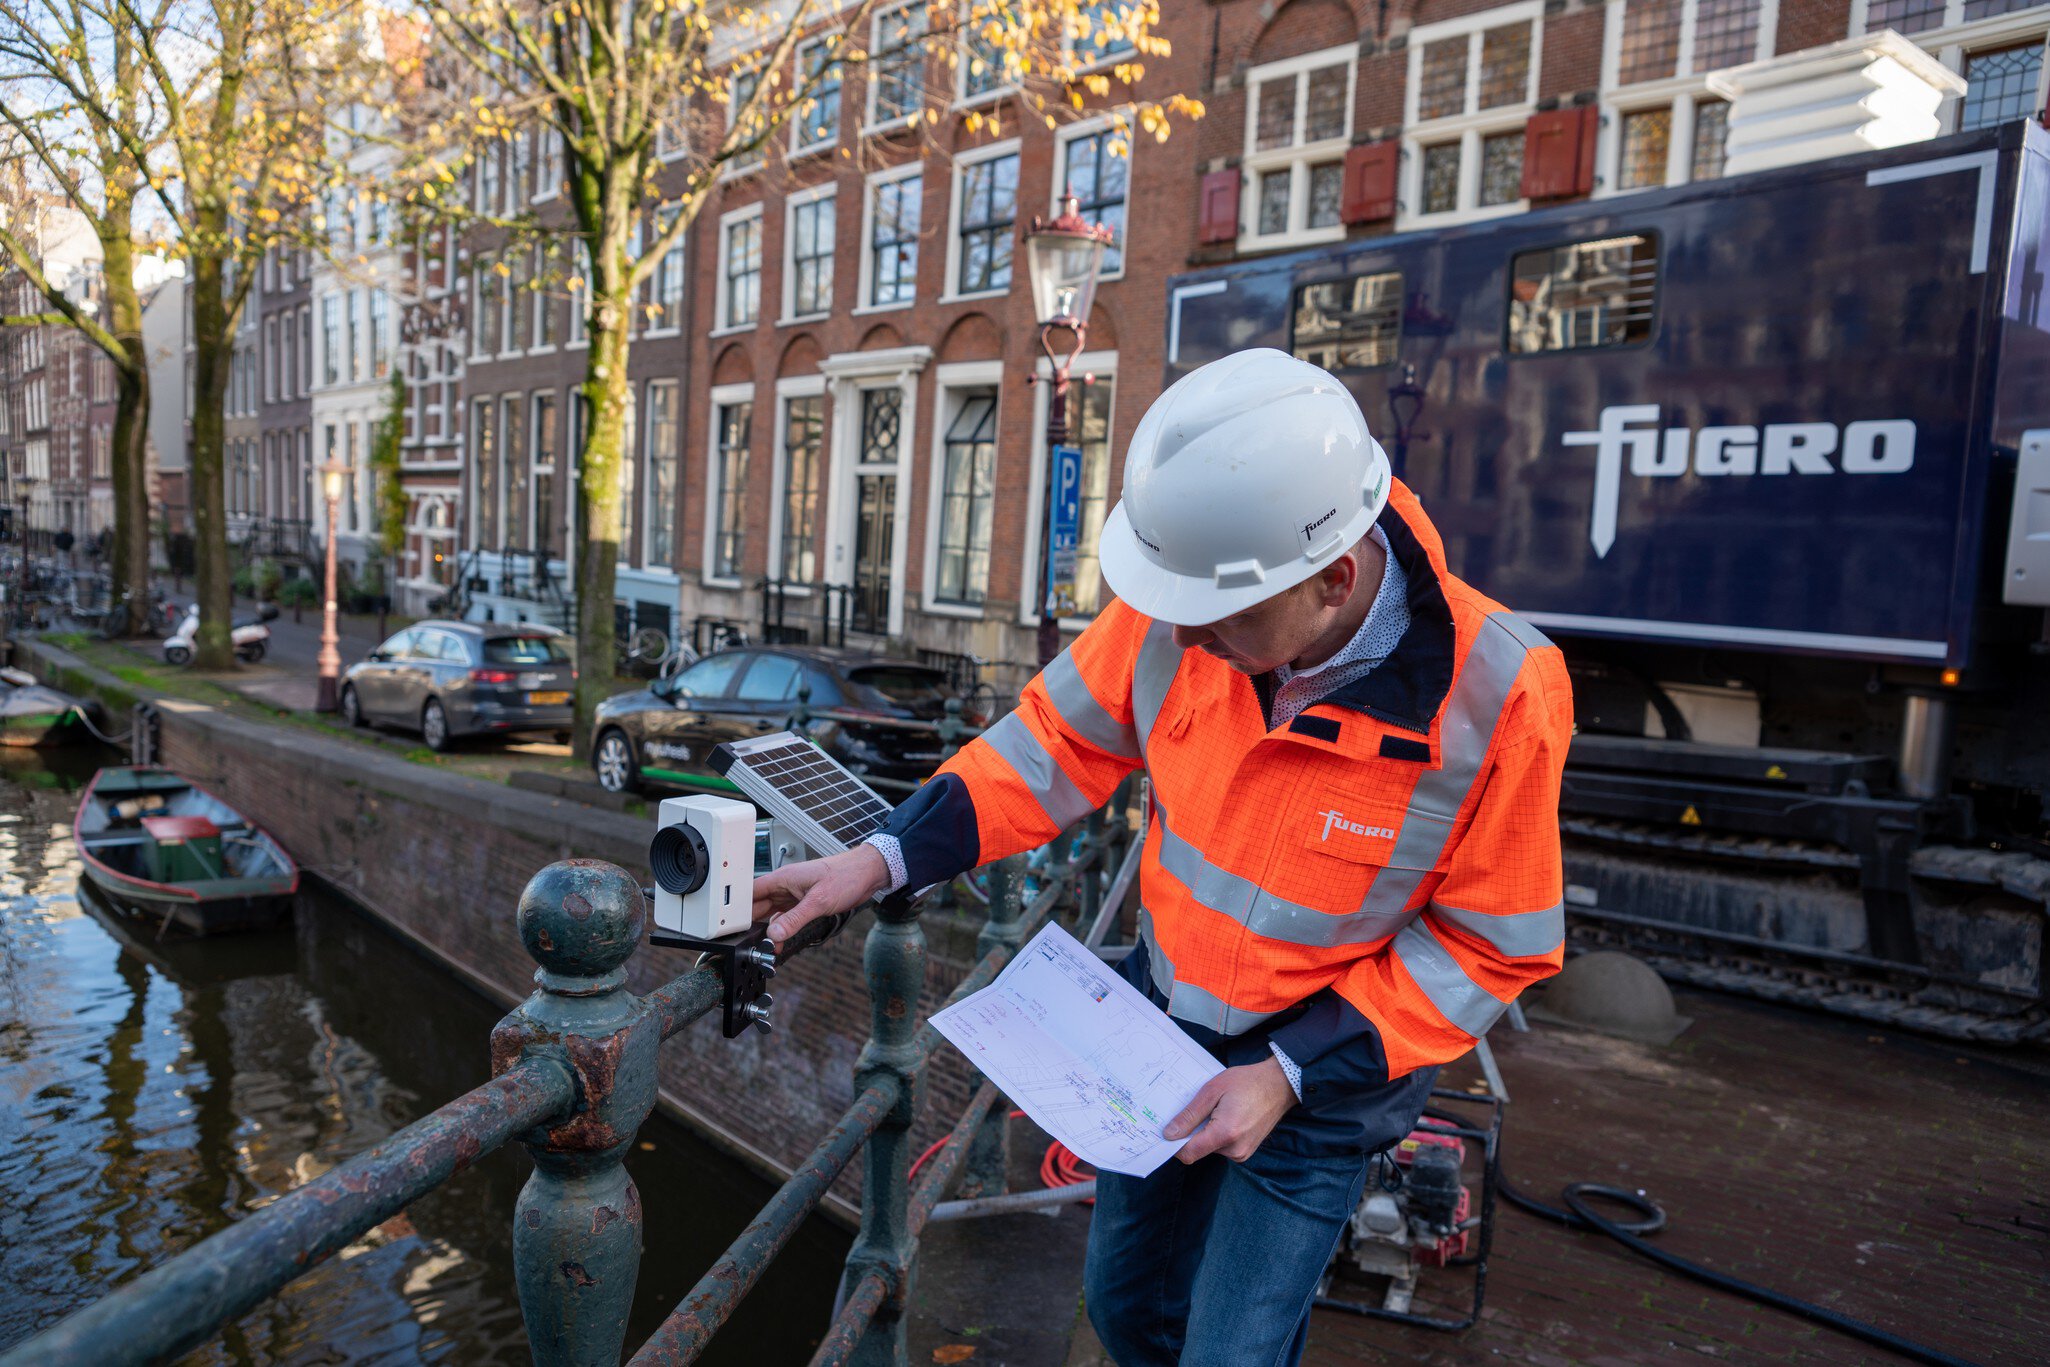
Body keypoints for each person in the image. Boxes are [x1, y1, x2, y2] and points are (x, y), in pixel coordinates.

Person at [752, 348, 1572, 1366]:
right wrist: (879, 857)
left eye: (1217, 618)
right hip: (1160, 1038)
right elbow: (1050, 744)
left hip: (1318, 1084)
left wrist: (1287, 1069)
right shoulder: (1191, 599)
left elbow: (1493, 942)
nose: (1180, 633)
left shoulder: (1505, 690)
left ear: (1333, 580)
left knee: (1234, 1350)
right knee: (1126, 1305)